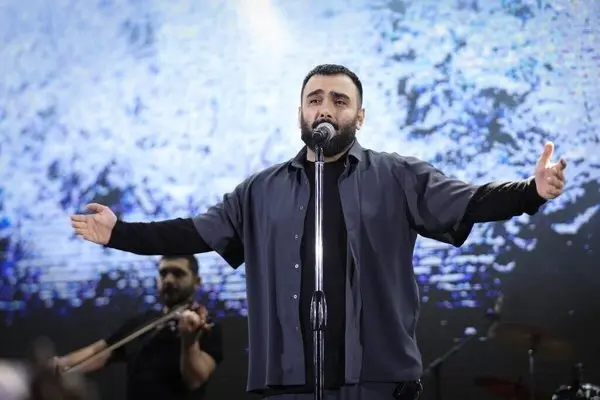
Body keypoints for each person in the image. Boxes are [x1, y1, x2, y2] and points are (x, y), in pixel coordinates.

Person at [69, 64, 567, 400]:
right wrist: (119, 233)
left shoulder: (397, 176)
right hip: (289, 381)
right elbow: (194, 233)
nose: (325, 108)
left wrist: (531, 191)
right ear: (301, 113)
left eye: (339, 100)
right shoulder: (260, 190)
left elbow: (470, 200)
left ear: (360, 116)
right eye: (315, 99)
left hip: (377, 380)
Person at [52, 255, 223, 400]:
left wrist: (189, 342)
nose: (169, 280)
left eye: (178, 273)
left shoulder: (207, 325)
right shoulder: (143, 321)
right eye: (163, 273)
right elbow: (101, 352)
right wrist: (60, 365)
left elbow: (195, 379)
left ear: (197, 281)